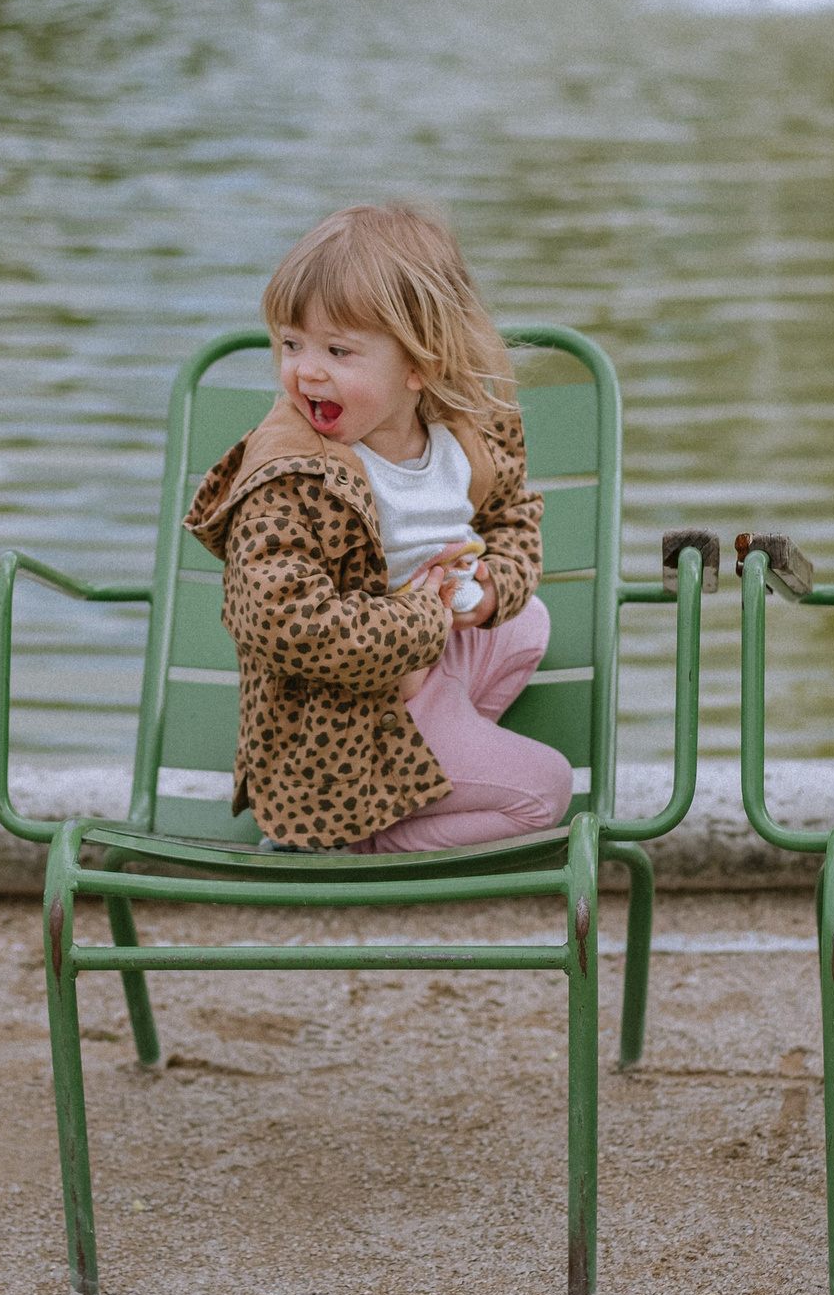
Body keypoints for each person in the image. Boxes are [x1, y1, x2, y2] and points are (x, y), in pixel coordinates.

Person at [183, 203, 570, 854]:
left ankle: (420, 768)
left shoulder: (463, 436)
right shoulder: (291, 473)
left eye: (337, 350)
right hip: (334, 731)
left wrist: (492, 586)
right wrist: (420, 621)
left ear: (421, 364)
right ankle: (346, 841)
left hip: (421, 672)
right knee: (545, 791)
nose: (306, 370)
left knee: (527, 622)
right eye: (290, 343)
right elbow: (282, 620)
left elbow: (513, 517)